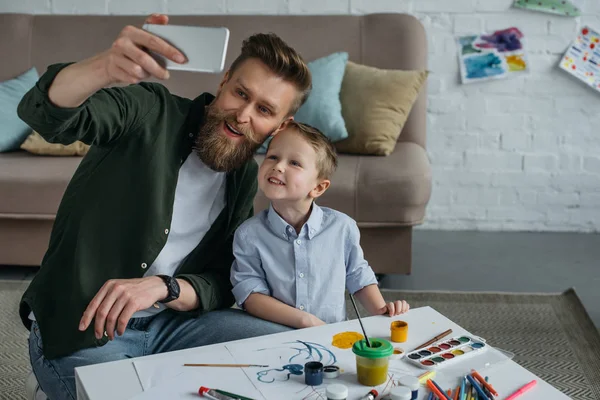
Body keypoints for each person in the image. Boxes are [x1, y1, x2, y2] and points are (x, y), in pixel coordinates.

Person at [17, 13, 311, 400]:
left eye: (264, 110)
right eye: (241, 94)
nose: (243, 116)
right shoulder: (149, 111)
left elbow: (222, 279)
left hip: (173, 326)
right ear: (223, 84)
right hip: (86, 331)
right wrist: (104, 68)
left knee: (298, 354)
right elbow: (49, 116)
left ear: (278, 125)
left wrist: (162, 287)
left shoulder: (243, 176)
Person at [230, 122, 410, 329]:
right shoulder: (248, 234)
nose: (278, 166)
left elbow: (357, 275)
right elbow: (251, 295)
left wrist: (381, 311)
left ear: (318, 187)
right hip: (275, 335)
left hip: (334, 335)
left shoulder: (342, 227)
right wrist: (305, 321)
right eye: (273, 157)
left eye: (295, 163)